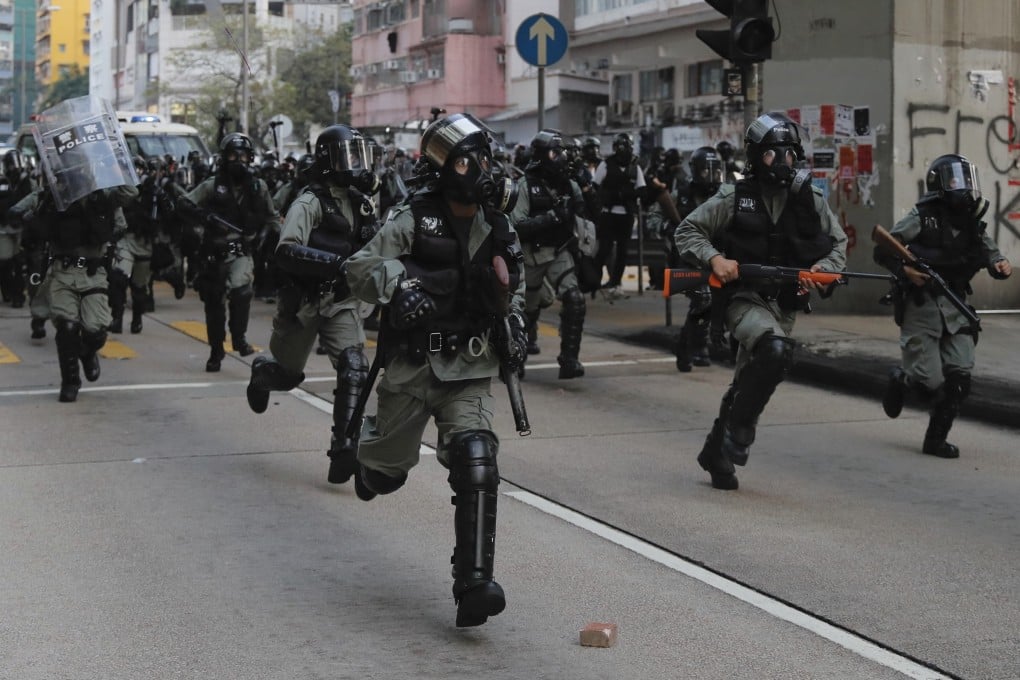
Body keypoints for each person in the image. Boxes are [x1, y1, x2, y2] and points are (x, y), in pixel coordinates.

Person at [345, 112, 526, 628]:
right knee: (385, 476)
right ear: (445, 169)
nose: (482, 171)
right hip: (412, 367)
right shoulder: (413, 216)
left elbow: (517, 283)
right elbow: (360, 267)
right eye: (469, 161)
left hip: (469, 366)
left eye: (485, 159)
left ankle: (473, 583)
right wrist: (399, 288)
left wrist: (513, 318)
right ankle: (372, 465)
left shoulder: (499, 224)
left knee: (477, 458)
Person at [675, 113, 847, 490]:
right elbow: (687, 230)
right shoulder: (733, 196)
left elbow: (838, 246)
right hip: (743, 298)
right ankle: (739, 430)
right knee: (775, 351)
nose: (782, 163)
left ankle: (715, 451)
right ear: (755, 157)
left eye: (789, 155)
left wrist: (823, 269)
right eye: (772, 155)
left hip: (784, 304)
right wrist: (715, 259)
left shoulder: (809, 198)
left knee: (749, 377)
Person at [245, 124, 381, 484]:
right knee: (287, 375)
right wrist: (334, 263)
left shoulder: (361, 202)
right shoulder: (309, 202)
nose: (356, 164)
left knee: (354, 368)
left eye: (359, 155)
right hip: (305, 301)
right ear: (329, 160)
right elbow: (286, 251)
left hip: (342, 302)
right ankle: (261, 376)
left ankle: (344, 448)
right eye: (348, 156)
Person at [876, 153, 1011, 458]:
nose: (962, 188)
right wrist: (905, 270)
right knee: (928, 385)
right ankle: (902, 380)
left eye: (966, 181)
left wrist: (1001, 264)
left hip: (956, 304)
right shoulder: (922, 216)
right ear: (940, 184)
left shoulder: (972, 224)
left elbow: (991, 253)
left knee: (960, 378)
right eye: (955, 181)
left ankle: (935, 440)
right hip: (922, 303)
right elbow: (884, 247)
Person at [9, 181, 139, 402]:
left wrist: (116, 166)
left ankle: (87, 352)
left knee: (95, 330)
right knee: (67, 326)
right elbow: (20, 209)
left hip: (93, 271)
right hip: (63, 270)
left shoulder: (102, 194)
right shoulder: (54, 194)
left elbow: (130, 193)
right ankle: (70, 381)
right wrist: (29, 215)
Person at [178, 132, 281, 372]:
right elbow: (184, 203)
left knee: (242, 290)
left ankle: (239, 337)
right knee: (214, 304)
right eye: (233, 155)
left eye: (243, 156)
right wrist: (203, 217)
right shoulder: (212, 185)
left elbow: (271, 217)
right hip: (214, 253)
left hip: (242, 252)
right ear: (224, 158)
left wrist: (273, 237)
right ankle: (216, 349)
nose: (239, 160)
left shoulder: (258, 187)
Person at [509, 129, 588, 379]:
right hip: (533, 255)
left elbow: (586, 215)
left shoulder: (569, 184)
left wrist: (585, 192)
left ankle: (569, 360)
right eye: (556, 153)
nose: (561, 158)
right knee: (527, 311)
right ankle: (516, 356)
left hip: (559, 252)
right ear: (543, 155)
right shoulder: (525, 186)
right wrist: (551, 217)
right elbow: (517, 225)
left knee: (575, 299)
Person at [671, 146, 727, 372]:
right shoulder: (681, 194)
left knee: (716, 302)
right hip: (689, 258)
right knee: (702, 298)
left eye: (715, 171)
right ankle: (693, 347)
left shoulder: (725, 195)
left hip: (718, 256)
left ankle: (691, 344)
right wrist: (668, 227)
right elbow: (655, 217)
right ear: (696, 171)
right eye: (706, 171)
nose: (711, 176)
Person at [592, 133, 646, 299]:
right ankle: (593, 282)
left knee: (623, 251)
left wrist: (627, 195)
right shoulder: (606, 165)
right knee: (604, 249)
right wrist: (611, 196)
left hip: (626, 215)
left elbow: (642, 190)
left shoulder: (634, 167)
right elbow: (595, 185)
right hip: (609, 214)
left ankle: (616, 284)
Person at [0, 150, 35, 308]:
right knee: (5, 262)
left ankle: (18, 295)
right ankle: (7, 290)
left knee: (19, 263)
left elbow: (35, 203)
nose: (16, 169)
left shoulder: (29, 183)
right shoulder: (2, 182)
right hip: (4, 229)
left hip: (23, 229)